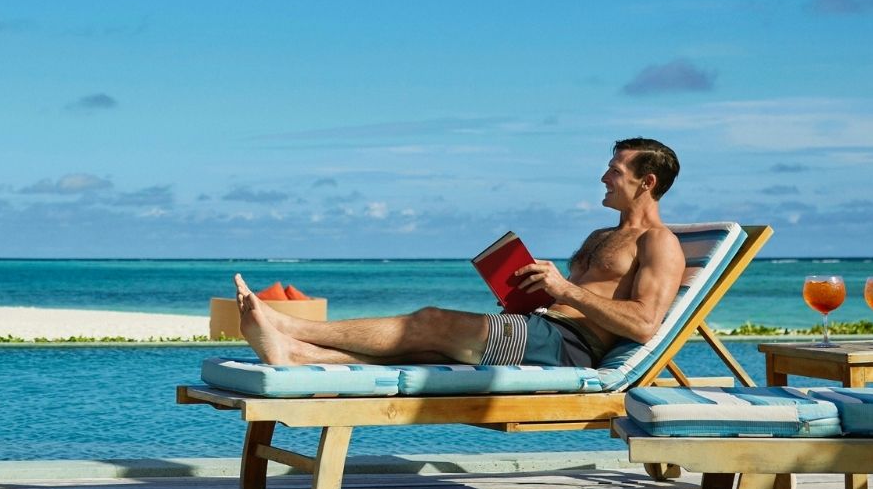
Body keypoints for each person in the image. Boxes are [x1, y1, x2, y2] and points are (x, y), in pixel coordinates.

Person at [235, 138, 686, 369]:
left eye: (614, 171)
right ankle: (297, 354)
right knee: (429, 350)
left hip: (570, 348)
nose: (603, 178)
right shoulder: (599, 235)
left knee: (429, 321)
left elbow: (645, 325)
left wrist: (565, 289)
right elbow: (578, 297)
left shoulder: (658, 242)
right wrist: (535, 295)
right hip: (541, 328)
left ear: (646, 183)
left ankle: (289, 324)